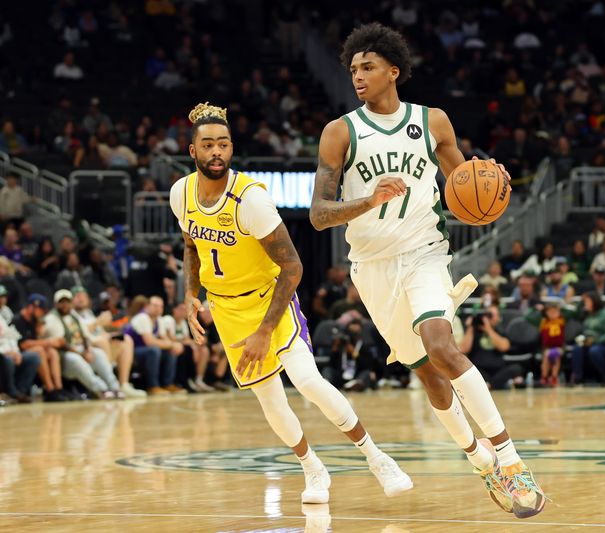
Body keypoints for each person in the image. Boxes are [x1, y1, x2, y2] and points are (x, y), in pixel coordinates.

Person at [309, 24, 546, 517]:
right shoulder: (339, 133)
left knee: (442, 346)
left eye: (368, 67)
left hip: (425, 253)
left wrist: (492, 183)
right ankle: (479, 460)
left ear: (393, 71)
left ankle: (510, 459)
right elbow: (318, 214)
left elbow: (466, 191)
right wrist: (367, 200)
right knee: (429, 375)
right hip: (372, 267)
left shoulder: (432, 121)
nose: (358, 76)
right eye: (353, 69)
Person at [171, 100, 412, 506]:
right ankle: (312, 467)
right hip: (228, 310)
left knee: (307, 381)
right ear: (192, 151)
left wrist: (265, 330)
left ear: (232, 149)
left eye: (224, 144)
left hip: (270, 301)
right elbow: (192, 245)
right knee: (269, 399)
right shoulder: (181, 193)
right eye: (208, 145)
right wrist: (191, 295)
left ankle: (376, 457)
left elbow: (294, 267)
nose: (216, 152)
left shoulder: (250, 200)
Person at [43, 289, 121, 399]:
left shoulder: (74, 316)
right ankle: (101, 389)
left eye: (67, 301)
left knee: (98, 354)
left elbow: (85, 335)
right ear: (56, 304)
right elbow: (61, 343)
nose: (65, 305)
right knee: (76, 359)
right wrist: (81, 353)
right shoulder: (51, 319)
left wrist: (87, 350)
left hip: (79, 350)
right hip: (64, 355)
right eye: (62, 302)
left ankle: (115, 387)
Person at [72, 287, 145, 398]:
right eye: (77, 296)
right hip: (85, 344)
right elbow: (78, 333)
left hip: (99, 340)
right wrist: (97, 323)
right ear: (71, 300)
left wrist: (109, 330)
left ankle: (124, 384)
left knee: (126, 339)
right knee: (103, 341)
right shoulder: (71, 314)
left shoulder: (88, 313)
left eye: (83, 295)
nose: (81, 298)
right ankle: (110, 383)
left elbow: (99, 330)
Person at [123, 295, 185, 395]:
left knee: (170, 352)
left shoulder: (159, 320)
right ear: (147, 306)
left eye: (161, 306)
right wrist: (172, 345)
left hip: (144, 350)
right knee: (154, 350)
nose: (158, 309)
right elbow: (149, 341)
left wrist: (174, 345)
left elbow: (164, 338)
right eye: (155, 305)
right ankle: (153, 386)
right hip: (130, 351)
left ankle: (168, 384)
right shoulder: (142, 317)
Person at [13, 294, 69, 401]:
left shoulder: (34, 321)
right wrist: (48, 341)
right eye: (40, 310)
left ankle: (59, 388)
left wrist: (41, 332)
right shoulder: (18, 320)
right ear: (31, 307)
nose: (42, 313)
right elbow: (23, 344)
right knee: (40, 350)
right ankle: (50, 389)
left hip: (31, 351)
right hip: (17, 353)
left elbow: (36, 340)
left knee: (52, 352)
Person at [459, 306, 522, 390]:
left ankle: (489, 385)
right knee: (469, 371)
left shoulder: (500, 331)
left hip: (498, 370)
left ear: (498, 318)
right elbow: (463, 349)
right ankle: (500, 383)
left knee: (516, 368)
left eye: (491, 315)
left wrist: (488, 329)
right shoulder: (473, 332)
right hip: (479, 369)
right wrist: (471, 327)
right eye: (487, 315)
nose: (488, 318)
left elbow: (504, 347)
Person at [570, 291, 605, 385]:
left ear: (594, 301)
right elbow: (575, 313)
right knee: (576, 348)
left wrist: (595, 341)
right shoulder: (587, 314)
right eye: (585, 302)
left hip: (603, 344)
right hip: (587, 342)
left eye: (587, 302)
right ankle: (577, 378)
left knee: (594, 351)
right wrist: (581, 301)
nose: (585, 304)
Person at [539, 303, 565, 386]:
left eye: (555, 312)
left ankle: (554, 376)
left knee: (556, 357)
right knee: (546, 357)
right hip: (547, 348)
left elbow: (571, 312)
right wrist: (537, 309)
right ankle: (544, 376)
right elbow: (529, 317)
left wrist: (563, 305)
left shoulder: (561, 321)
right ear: (546, 313)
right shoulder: (544, 322)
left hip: (559, 347)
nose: (553, 314)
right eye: (551, 312)